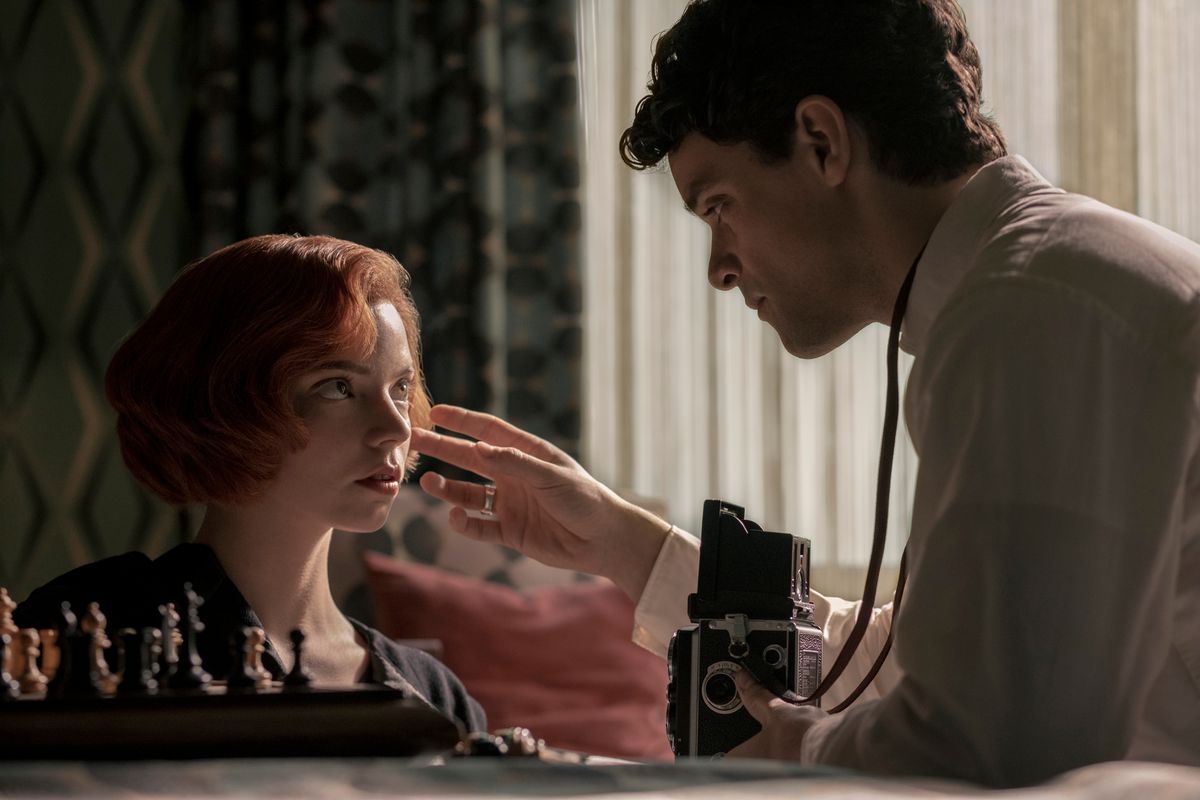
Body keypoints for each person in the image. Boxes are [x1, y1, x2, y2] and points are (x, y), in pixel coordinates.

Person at [411, 0, 1200, 788]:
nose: (719, 269)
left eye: (719, 206)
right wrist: (619, 541)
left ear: (821, 142)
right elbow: (905, 669)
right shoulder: (1050, 282)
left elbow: (979, 752)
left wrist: (797, 749)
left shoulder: (1030, 311)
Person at [14, 234, 485, 733]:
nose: (396, 427)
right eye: (338, 387)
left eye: (401, 387)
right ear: (227, 405)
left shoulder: (436, 695)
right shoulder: (88, 629)